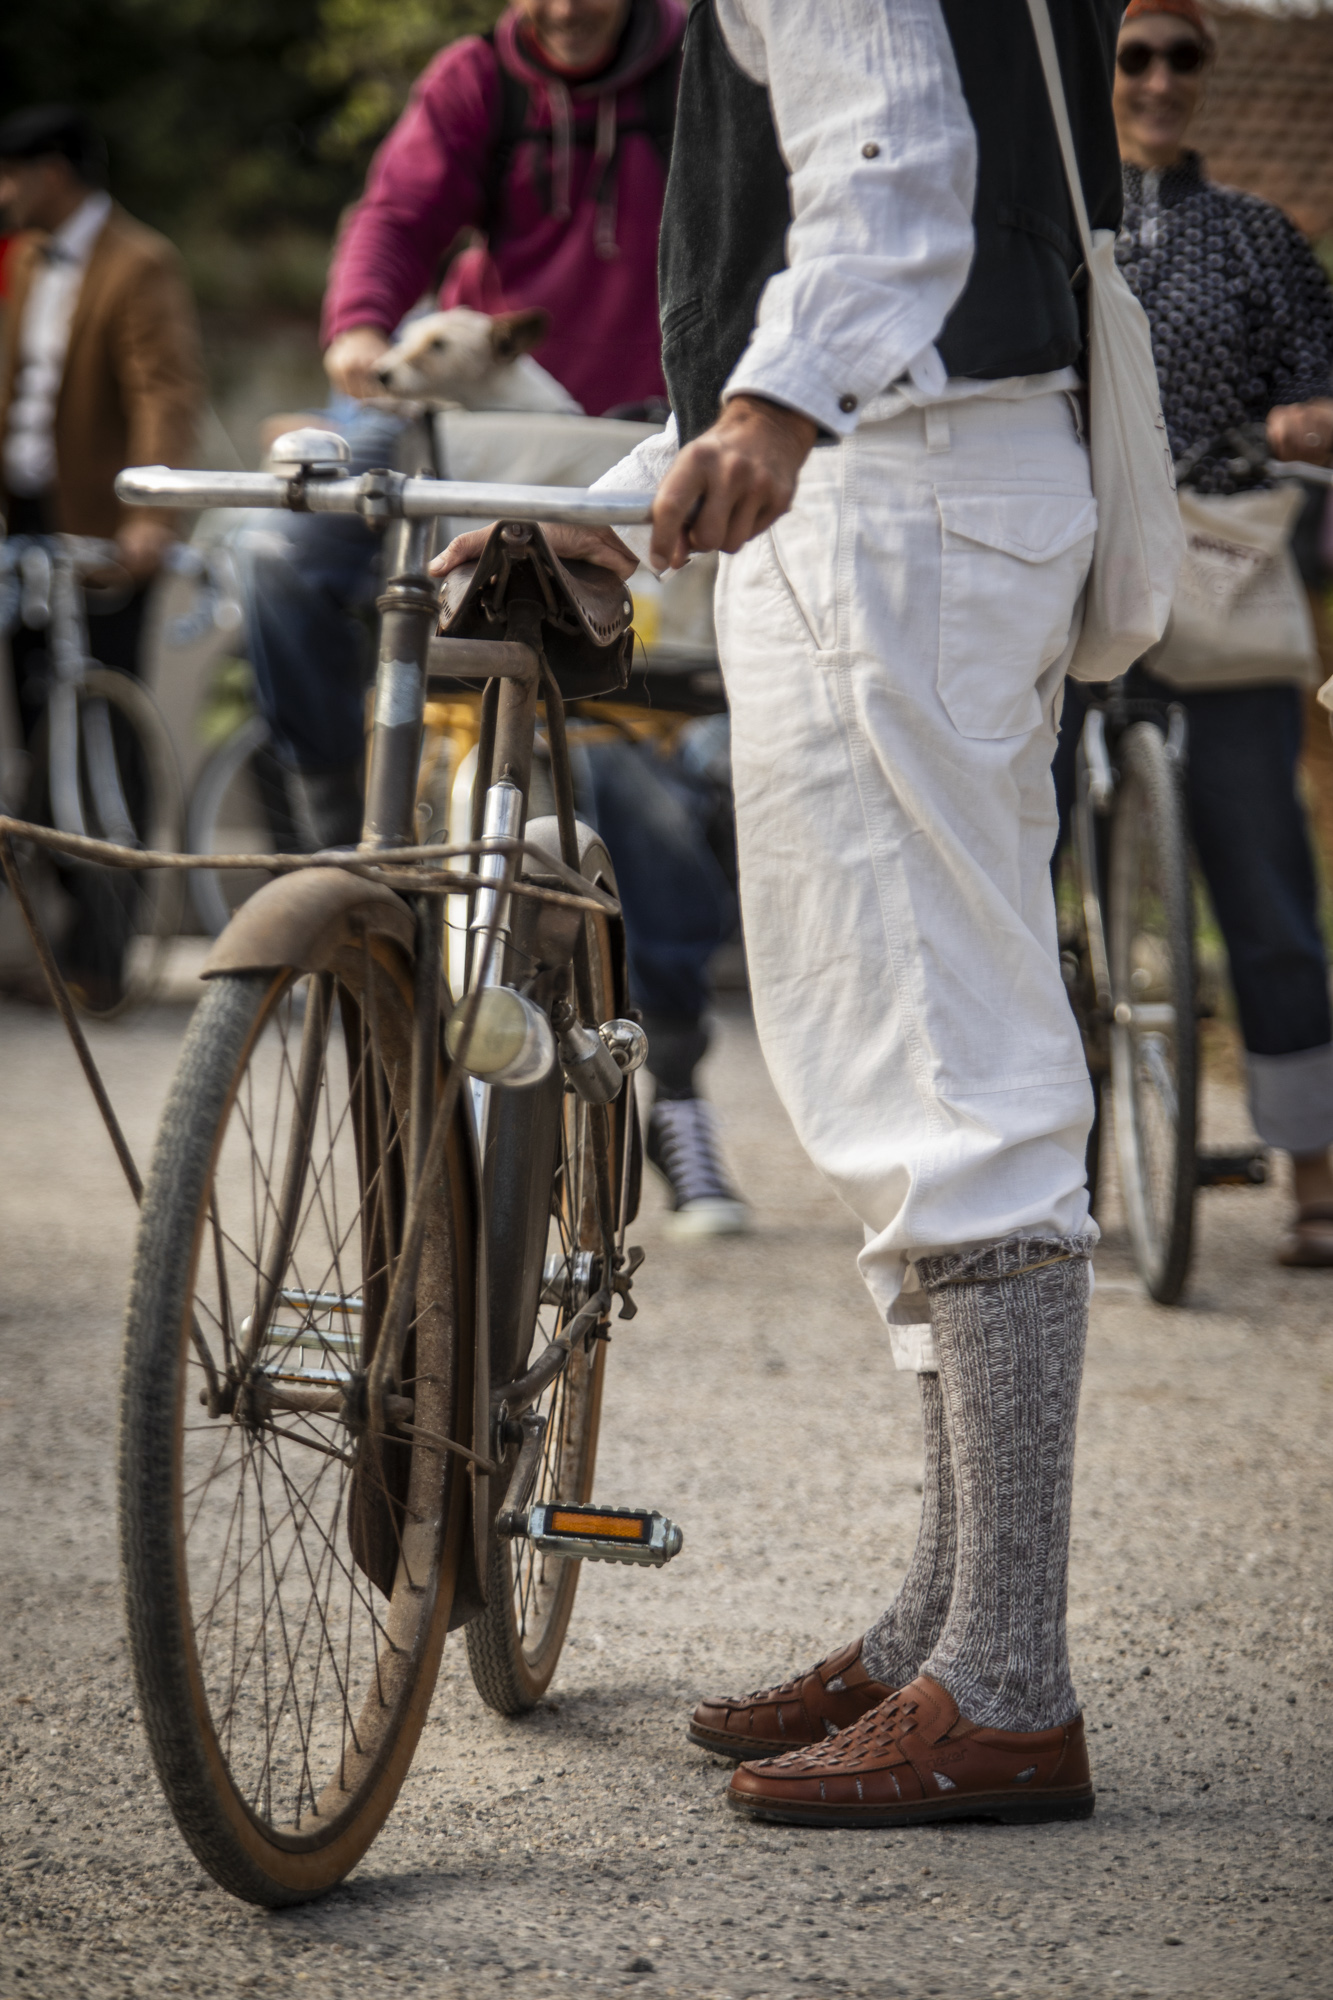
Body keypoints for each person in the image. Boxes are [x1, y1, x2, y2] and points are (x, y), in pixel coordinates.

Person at [440, 0, 1127, 1825]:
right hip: (900, 478)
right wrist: (627, 489)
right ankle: (947, 1622)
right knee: (904, 1068)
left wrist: (763, 412)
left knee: (950, 1083)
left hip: (898, 484)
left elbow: (897, 168)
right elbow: (854, 213)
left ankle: (1002, 1682)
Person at [241, 0, 749, 1234]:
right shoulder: (483, 80)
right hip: (474, 413)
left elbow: (765, 228)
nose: (565, 10)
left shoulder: (711, 63)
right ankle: (330, 828)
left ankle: (668, 1086)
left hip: (659, 418)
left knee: (647, 784)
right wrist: (364, 331)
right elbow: (400, 213)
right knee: (280, 545)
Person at [1052, 0, 1333, 1266]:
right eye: (1133, 56)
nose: (1159, 79)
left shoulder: (1258, 239)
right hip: (1060, 586)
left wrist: (1306, 416)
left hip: (1216, 584)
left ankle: (1313, 1173)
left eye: (1181, 58)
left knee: (1267, 888)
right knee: (1024, 890)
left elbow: (1318, 373)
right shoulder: (1052, 227)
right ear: (1098, 71)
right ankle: (1060, 1180)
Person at [0, 103, 203, 1011]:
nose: (5, 193)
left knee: (103, 728)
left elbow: (164, 386)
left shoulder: (139, 260)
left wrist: (150, 513)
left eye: (15, 174)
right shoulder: (33, 262)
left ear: (57, 171)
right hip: (25, 520)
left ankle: (103, 955)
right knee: (37, 724)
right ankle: (54, 938)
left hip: (104, 530)